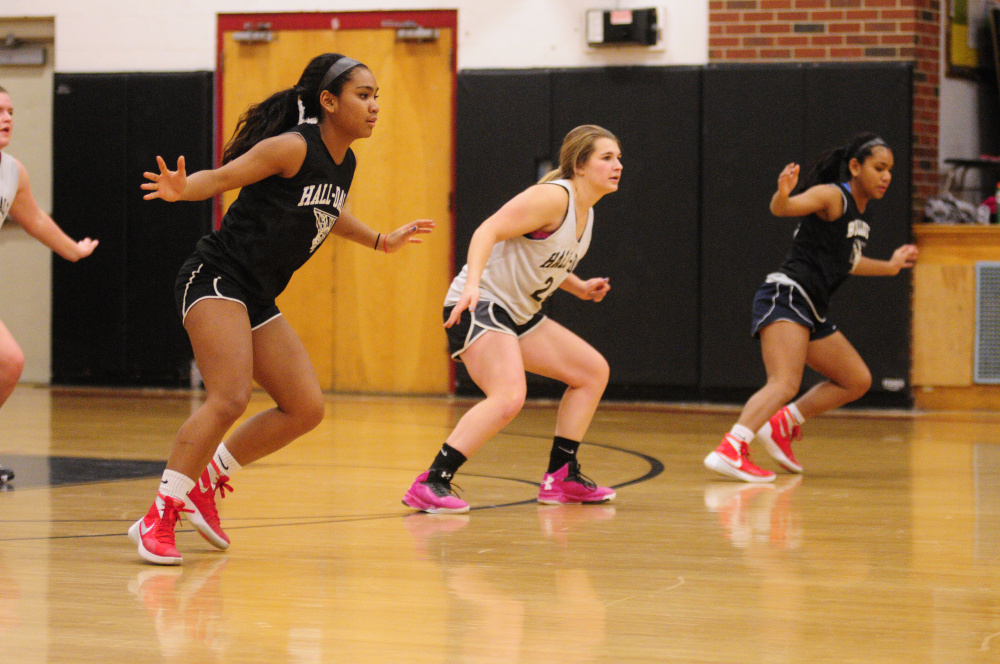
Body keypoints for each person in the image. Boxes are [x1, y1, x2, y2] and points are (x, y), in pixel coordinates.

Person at [128, 53, 434, 565]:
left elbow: (329, 212)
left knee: (305, 407)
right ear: (329, 102)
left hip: (256, 294)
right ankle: (158, 516)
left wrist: (380, 240)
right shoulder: (292, 147)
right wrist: (183, 190)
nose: (375, 105)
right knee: (228, 397)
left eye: (377, 95)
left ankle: (206, 486)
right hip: (216, 276)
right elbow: (222, 178)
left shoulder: (346, 162)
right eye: (364, 95)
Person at [402, 124, 621, 514]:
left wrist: (580, 287)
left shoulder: (585, 214)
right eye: (607, 157)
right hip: (482, 303)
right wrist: (471, 284)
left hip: (519, 314)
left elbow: (543, 258)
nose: (617, 165)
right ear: (580, 165)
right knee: (508, 396)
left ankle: (562, 477)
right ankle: (433, 480)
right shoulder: (554, 197)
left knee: (591, 372)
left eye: (618, 158)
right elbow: (488, 230)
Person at [704, 132, 918, 483]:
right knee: (785, 382)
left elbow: (849, 261)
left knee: (856, 380)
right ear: (854, 166)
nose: (886, 177)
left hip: (811, 308)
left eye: (890, 170)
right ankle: (731, 448)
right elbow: (783, 209)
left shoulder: (859, 216)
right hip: (787, 295)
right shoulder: (833, 195)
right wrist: (783, 193)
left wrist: (891, 266)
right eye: (879, 167)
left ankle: (783, 424)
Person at [0, 86, 99, 485]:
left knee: (9, 363)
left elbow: (34, 217)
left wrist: (72, 249)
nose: (6, 118)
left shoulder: (11, 171)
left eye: (10, 110)